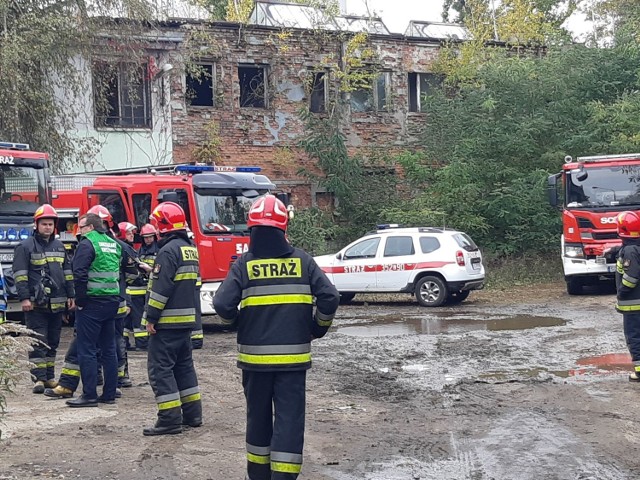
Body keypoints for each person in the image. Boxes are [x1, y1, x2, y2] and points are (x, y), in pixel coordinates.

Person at [212, 194, 339, 480]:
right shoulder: (303, 261)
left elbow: (221, 305)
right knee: (289, 422)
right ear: (284, 229)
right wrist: (318, 327)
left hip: (254, 361)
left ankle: (258, 475)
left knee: (257, 420)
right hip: (293, 362)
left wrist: (237, 322)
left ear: (252, 229)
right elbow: (329, 297)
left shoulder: (244, 264)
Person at [142, 202, 202, 436]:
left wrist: (151, 317)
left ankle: (169, 419)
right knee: (184, 368)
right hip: (186, 322)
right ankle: (193, 414)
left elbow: (160, 289)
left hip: (166, 324)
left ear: (163, 226)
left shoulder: (167, 251)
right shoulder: (189, 248)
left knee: (160, 370)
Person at [13, 204, 75, 394]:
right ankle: (38, 379)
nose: (47, 227)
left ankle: (49, 377)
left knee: (53, 341)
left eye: (50, 224)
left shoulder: (59, 246)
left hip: (57, 303)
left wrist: (71, 296)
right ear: (36, 224)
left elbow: (67, 273)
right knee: (38, 341)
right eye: (44, 224)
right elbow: (20, 275)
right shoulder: (25, 247)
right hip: (35, 303)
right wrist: (24, 298)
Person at [66, 212, 121, 407]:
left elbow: (79, 273)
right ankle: (109, 394)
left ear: (89, 227)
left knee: (87, 349)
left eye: (80, 227)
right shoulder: (112, 242)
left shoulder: (87, 243)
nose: (78, 231)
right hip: (112, 301)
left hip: (91, 303)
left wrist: (80, 300)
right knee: (109, 349)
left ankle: (89, 395)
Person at [615, 210, 640, 382]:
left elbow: (631, 277)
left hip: (633, 304)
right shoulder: (633, 247)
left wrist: (621, 292)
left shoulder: (630, 251)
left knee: (634, 338)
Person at [126, 223, 157, 351]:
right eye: (146, 237)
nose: (148, 240)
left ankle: (142, 342)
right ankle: (139, 342)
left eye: (150, 237)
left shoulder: (159, 251)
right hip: (136, 290)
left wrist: (148, 270)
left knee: (141, 317)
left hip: (148, 290)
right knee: (132, 320)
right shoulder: (140, 251)